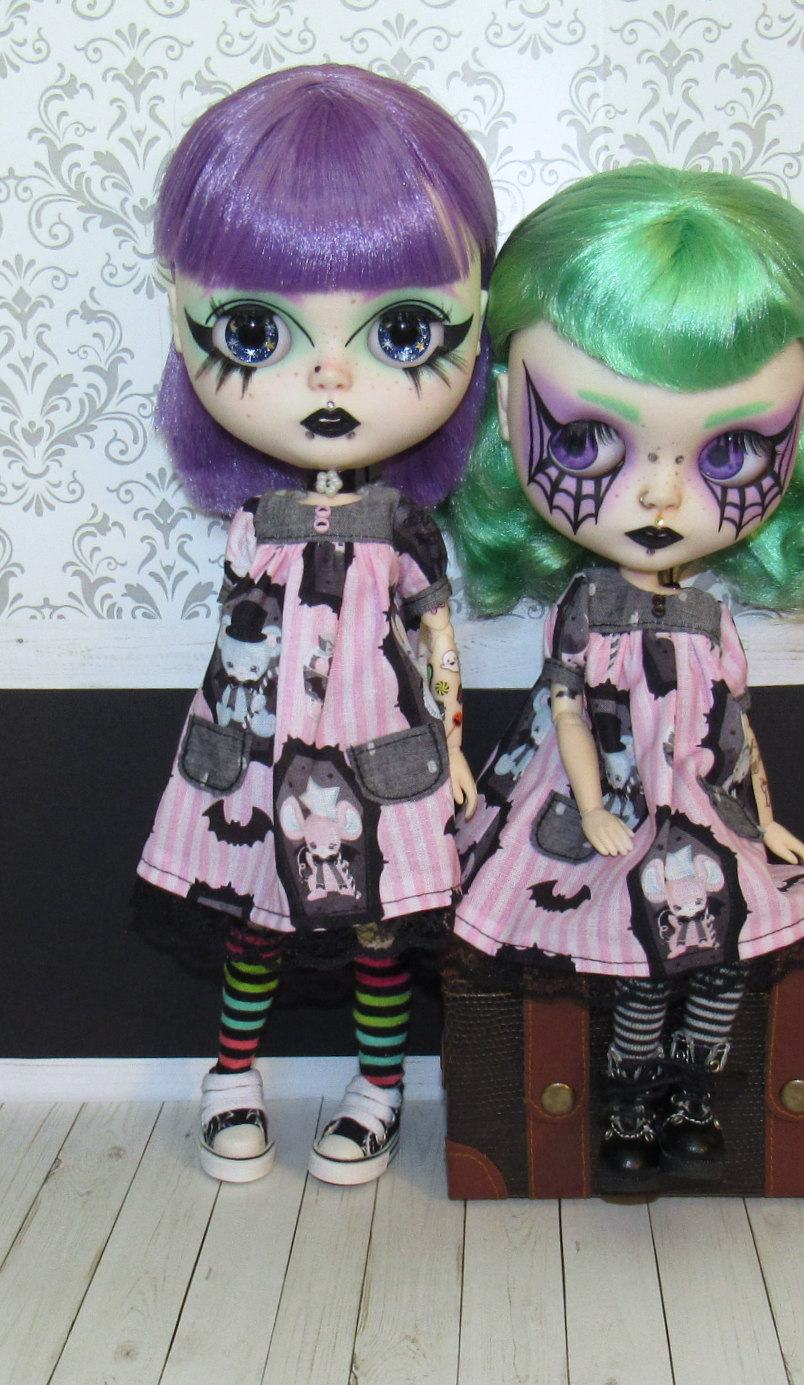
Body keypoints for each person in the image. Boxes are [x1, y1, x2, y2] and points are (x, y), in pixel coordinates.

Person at [446, 165, 804, 1191]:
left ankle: (691, 1091)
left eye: (729, 452)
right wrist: (590, 805)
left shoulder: (712, 617)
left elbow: (730, 724)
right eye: (586, 440)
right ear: (505, 422)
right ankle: (626, 1098)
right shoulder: (584, 609)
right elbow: (569, 710)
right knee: (628, 959)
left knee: (725, 949)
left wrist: (765, 817)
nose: (658, 494)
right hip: (603, 811)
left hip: (700, 813)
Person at [135, 64, 496, 1184]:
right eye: (257, 330)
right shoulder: (257, 523)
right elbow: (238, 648)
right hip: (257, 756)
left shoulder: (404, 527)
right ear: (184, 317)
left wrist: (451, 748)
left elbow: (436, 641)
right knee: (251, 922)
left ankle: (378, 1085)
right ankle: (230, 1075)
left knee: (381, 931)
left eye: (401, 331)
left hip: (380, 760)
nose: (331, 374)